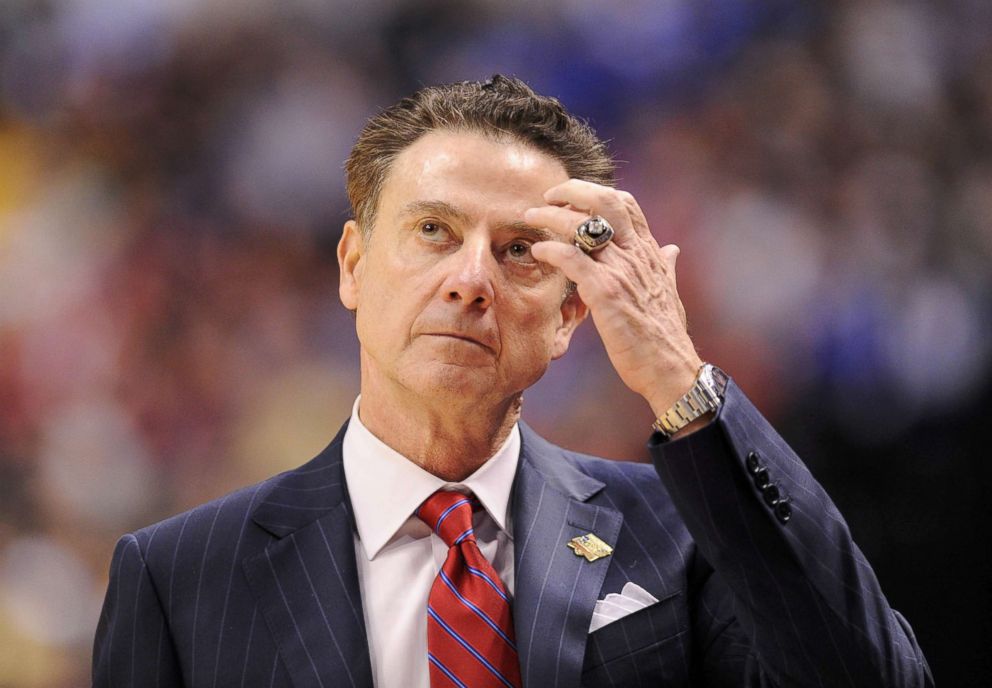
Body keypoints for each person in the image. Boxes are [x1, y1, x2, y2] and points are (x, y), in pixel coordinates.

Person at [93, 75, 932, 687]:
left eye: (519, 251)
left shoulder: (683, 540)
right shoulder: (180, 578)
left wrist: (678, 375)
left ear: (570, 316)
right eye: (433, 230)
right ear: (352, 266)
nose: (470, 280)